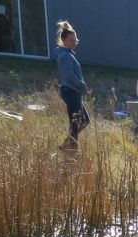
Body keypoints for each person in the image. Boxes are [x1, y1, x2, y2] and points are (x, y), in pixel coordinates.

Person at [55, 21, 89, 151]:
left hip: (74, 91)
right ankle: (72, 150)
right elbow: (69, 77)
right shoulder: (65, 55)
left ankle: (67, 144)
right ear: (64, 40)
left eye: (75, 40)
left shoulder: (69, 54)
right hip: (71, 91)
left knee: (84, 120)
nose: (74, 42)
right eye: (71, 40)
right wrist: (83, 86)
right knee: (75, 123)